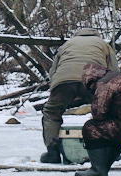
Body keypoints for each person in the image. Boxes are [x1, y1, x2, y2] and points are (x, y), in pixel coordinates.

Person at [40, 32, 116, 163]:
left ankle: (53, 152)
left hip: (64, 80)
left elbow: (53, 72)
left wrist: (56, 88)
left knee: (51, 112)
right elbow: (114, 71)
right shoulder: (103, 44)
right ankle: (108, 150)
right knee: (106, 112)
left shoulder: (66, 45)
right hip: (93, 80)